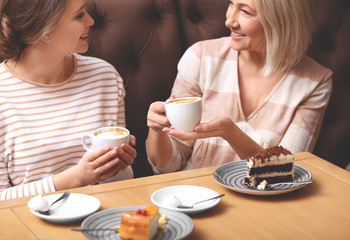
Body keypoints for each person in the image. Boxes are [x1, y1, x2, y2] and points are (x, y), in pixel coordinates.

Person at [146, 0, 332, 173]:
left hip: (266, 206)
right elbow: (166, 167)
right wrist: (156, 130)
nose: (229, 21)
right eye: (231, 3)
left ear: (280, 20)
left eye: (245, 11)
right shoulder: (202, 57)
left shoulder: (315, 82)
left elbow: (287, 172)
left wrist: (232, 134)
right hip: (194, 198)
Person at [0, 0, 137, 200]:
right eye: (80, 15)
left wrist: (116, 166)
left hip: (103, 217)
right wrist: (76, 178)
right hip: (29, 225)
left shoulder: (104, 77)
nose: (90, 21)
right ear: (45, 29)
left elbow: (122, 184)